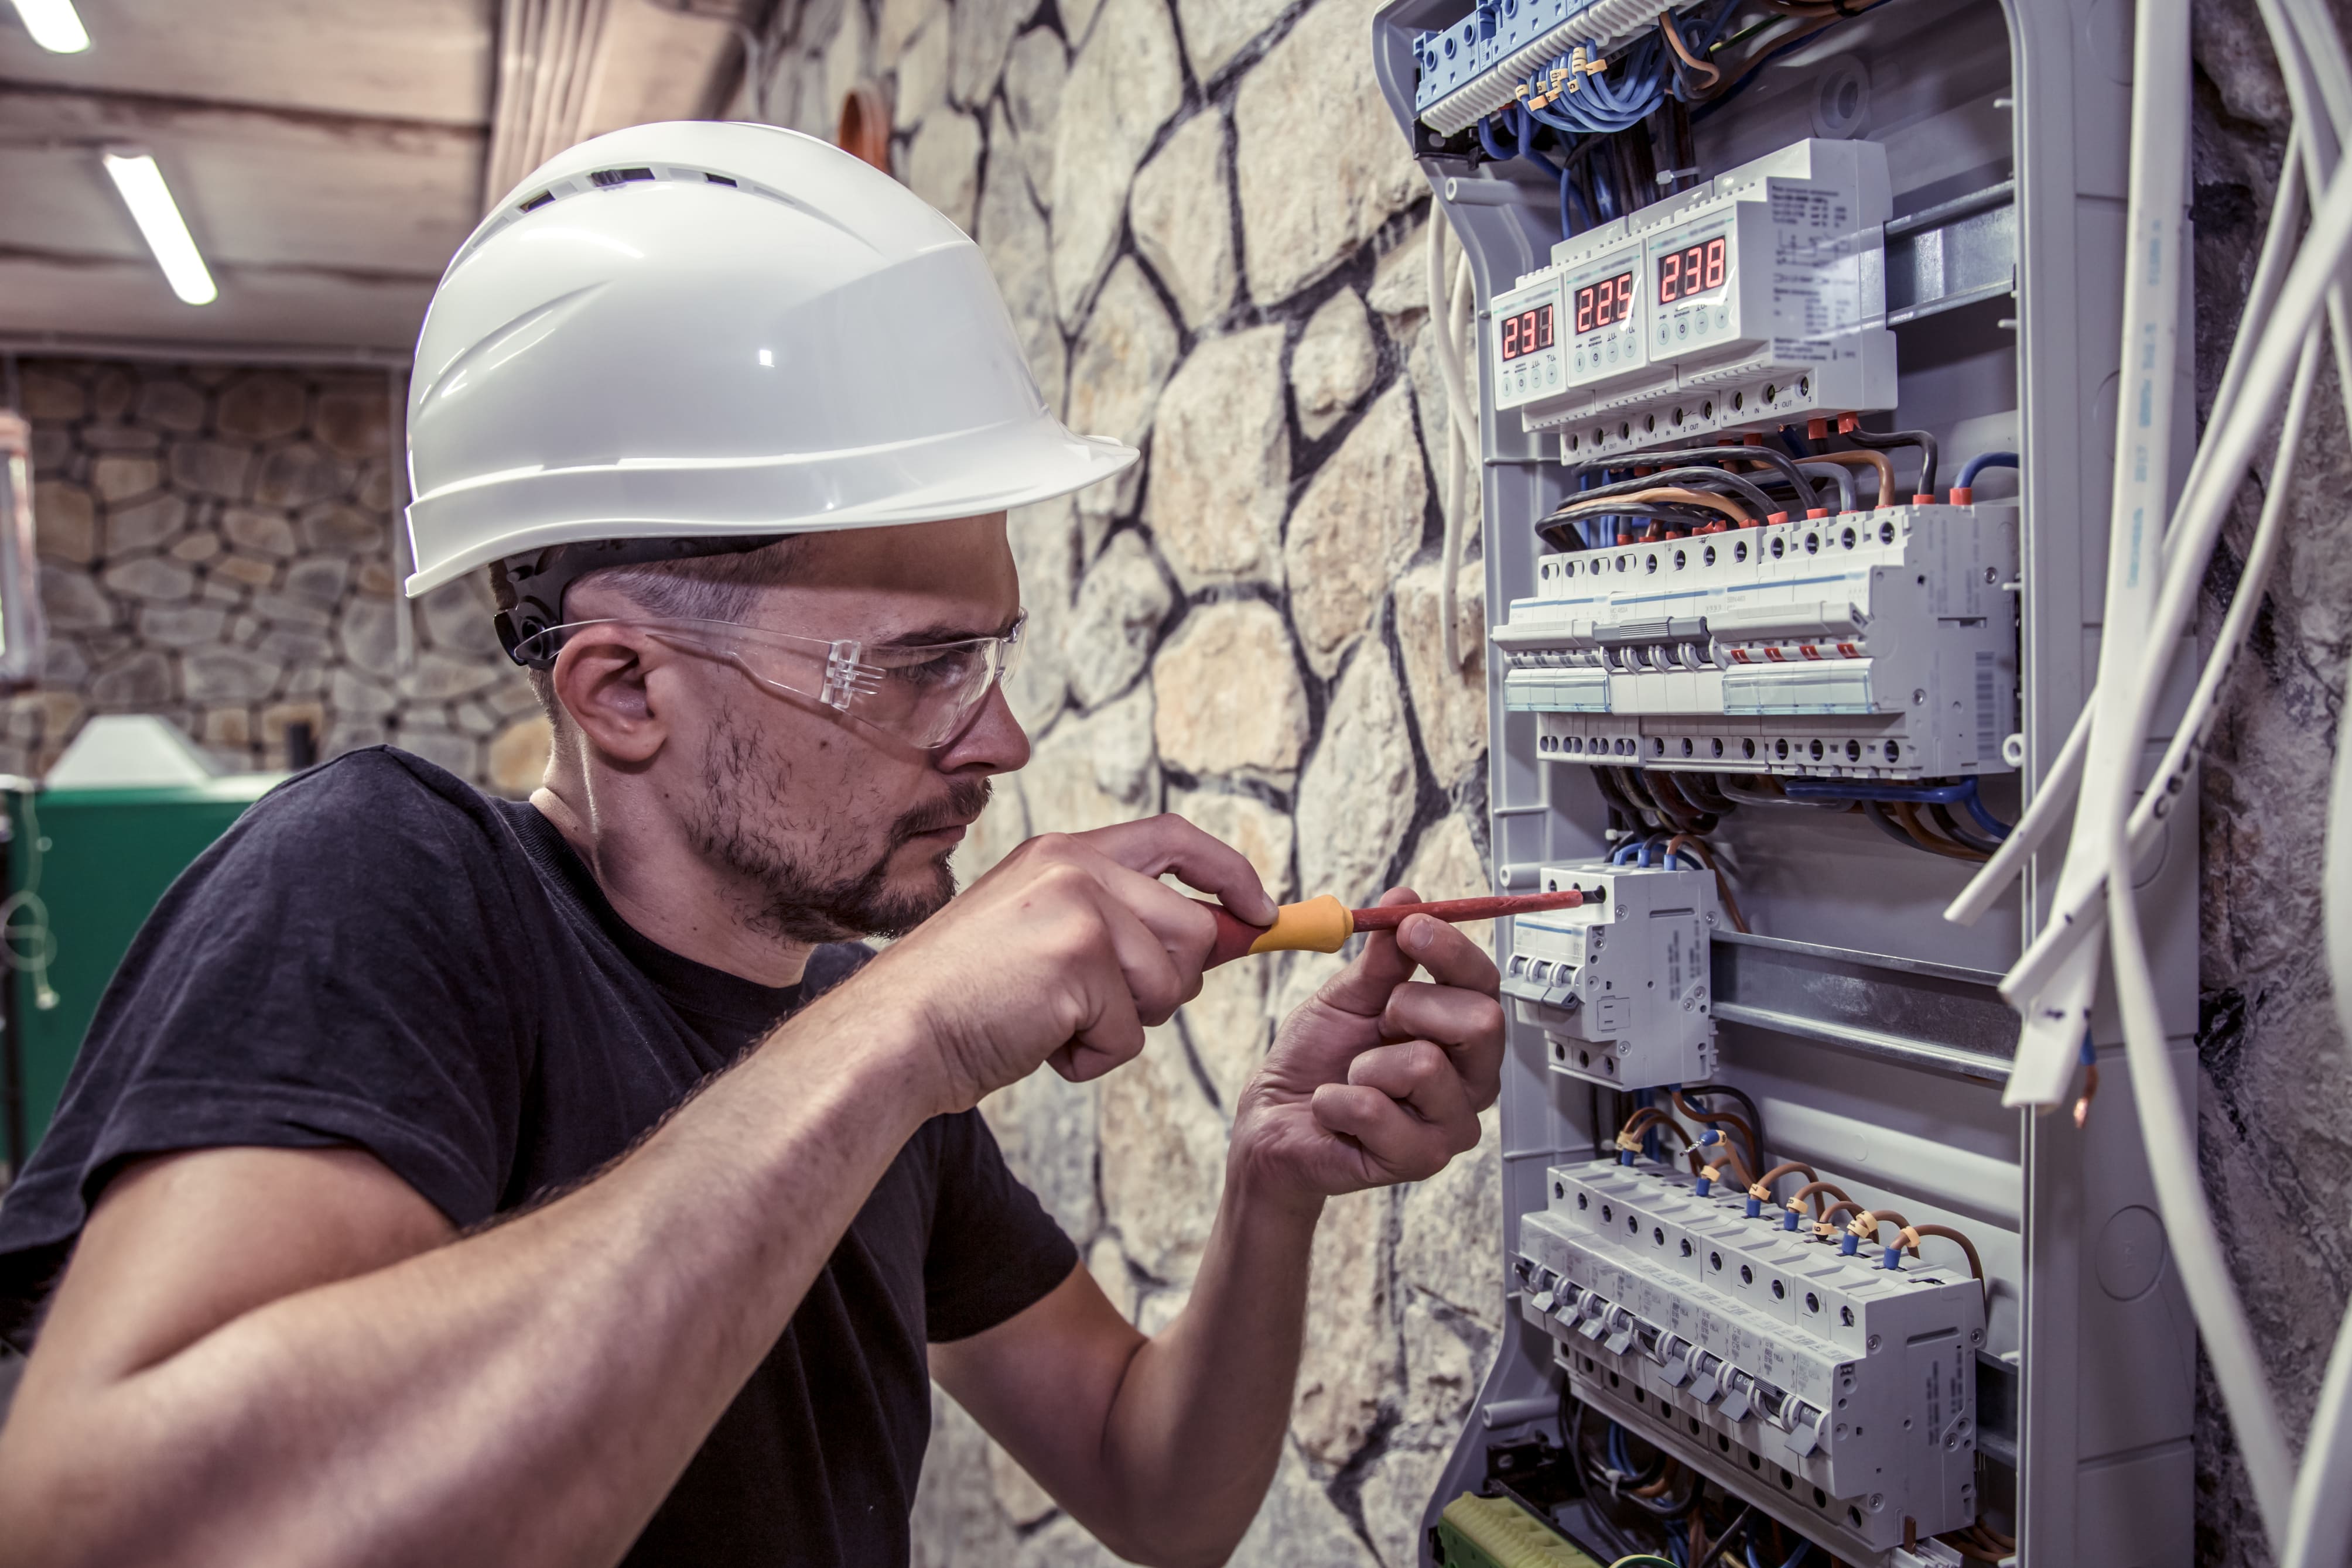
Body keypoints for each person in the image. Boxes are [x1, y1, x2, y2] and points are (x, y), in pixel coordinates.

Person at [0, 123, 1503, 1567]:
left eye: (987, 654)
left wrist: (1271, 1184)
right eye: (920, 665)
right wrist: (907, 1027)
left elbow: (1156, 1492)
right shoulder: (389, 882)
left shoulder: (843, 1041)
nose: (1000, 738)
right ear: (623, 690)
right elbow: (138, 1533)